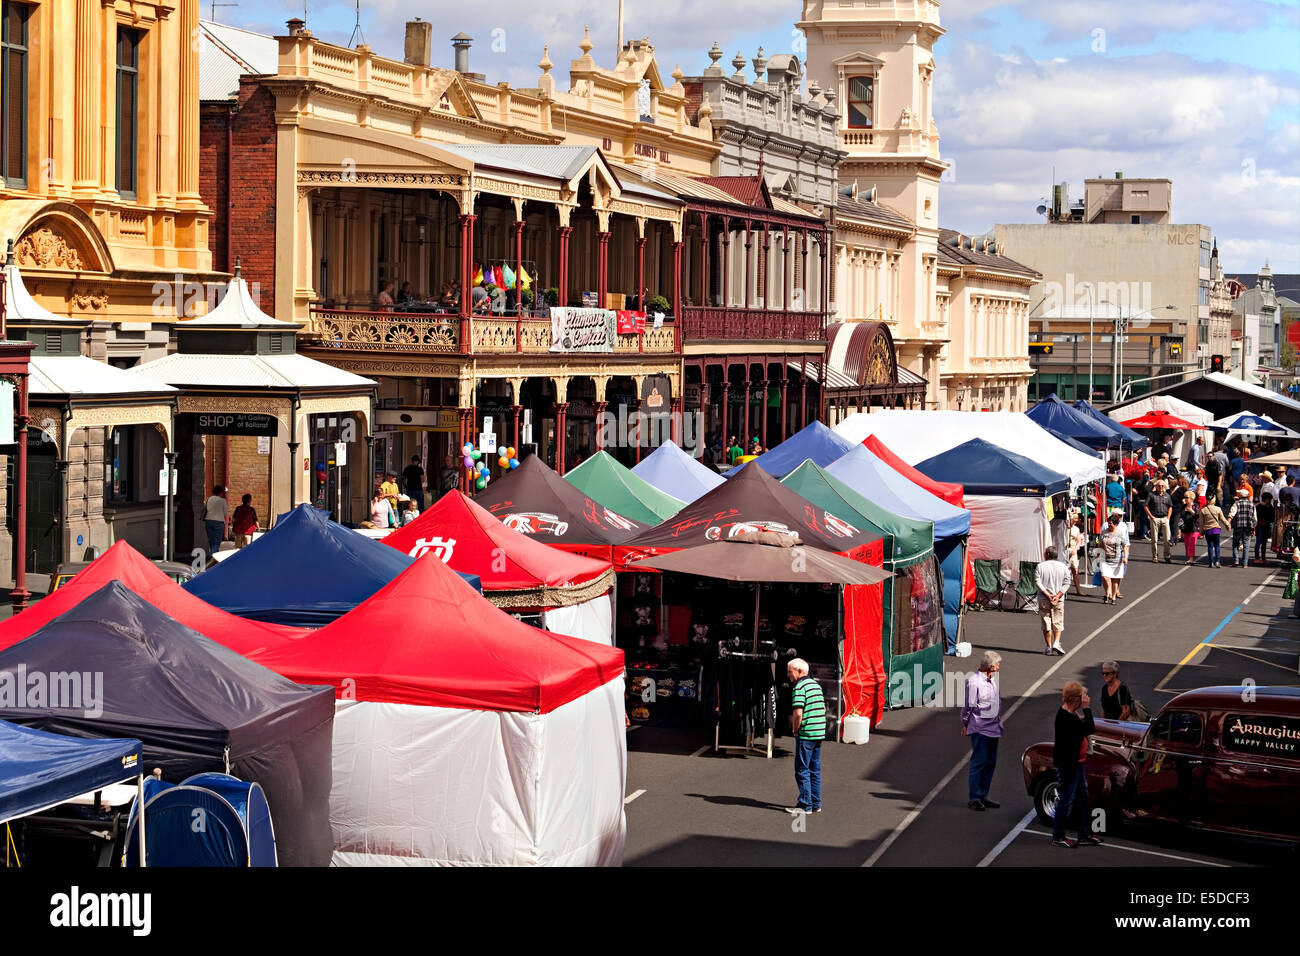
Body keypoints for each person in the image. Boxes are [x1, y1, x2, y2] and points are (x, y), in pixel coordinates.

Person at [1051, 681, 1102, 848]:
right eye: (1083, 697)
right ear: (1074, 699)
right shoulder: (1067, 719)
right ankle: (1058, 836)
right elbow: (1089, 727)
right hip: (1069, 765)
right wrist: (1087, 708)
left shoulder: (1069, 714)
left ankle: (1084, 833)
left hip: (1076, 763)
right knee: (1066, 799)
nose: (1086, 699)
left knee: (1082, 796)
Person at [960, 650, 1003, 811]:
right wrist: (965, 724)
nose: (999, 666)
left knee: (990, 762)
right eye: (997, 663)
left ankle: (983, 794)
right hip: (981, 728)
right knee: (979, 762)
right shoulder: (974, 682)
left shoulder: (992, 680)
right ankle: (975, 797)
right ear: (991, 666)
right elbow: (968, 707)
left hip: (994, 728)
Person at [787, 658, 825, 814]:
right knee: (814, 769)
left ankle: (805, 805)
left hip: (806, 733)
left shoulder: (799, 688)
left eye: (790, 672)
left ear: (800, 671)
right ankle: (816, 803)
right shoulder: (816, 685)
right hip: (818, 733)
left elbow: (798, 713)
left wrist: (795, 729)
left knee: (802, 770)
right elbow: (822, 708)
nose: (788, 675)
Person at [1034, 547, 1070, 655]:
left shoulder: (1040, 566)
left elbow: (1037, 581)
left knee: (1046, 621)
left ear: (1047, 555)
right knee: (1058, 620)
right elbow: (1067, 582)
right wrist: (1058, 595)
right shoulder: (1063, 567)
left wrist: (1048, 594)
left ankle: (1049, 646)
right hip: (1058, 599)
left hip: (1044, 598)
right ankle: (1057, 642)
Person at [1098, 513, 1128, 604]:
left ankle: (1113, 597)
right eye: (1108, 523)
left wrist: (1125, 557)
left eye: (1111, 523)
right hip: (1105, 558)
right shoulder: (1104, 532)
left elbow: (1124, 546)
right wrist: (1098, 554)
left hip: (1116, 559)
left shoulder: (1119, 533)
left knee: (1115, 579)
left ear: (1115, 524)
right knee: (1105, 576)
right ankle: (1108, 593)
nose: (1109, 525)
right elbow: (1100, 543)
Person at [1144, 478, 1173, 563]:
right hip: (1155, 518)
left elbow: (1170, 506)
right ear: (1156, 486)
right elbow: (1145, 506)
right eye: (1159, 486)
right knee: (1154, 539)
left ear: (1164, 487)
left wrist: (1168, 517)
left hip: (1165, 518)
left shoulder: (1167, 495)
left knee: (1167, 539)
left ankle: (1167, 556)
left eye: (1162, 486)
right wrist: (1151, 517)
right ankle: (1155, 556)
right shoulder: (1151, 495)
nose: (1160, 487)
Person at [1198, 493, 1231, 567]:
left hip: (1207, 530)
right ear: (1214, 500)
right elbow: (1223, 519)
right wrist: (1228, 525)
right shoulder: (1218, 509)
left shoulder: (1203, 510)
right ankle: (1217, 561)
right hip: (1216, 529)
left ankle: (1211, 562)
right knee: (1217, 546)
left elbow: (1201, 523)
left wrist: (1201, 532)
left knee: (1210, 546)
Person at [1228, 486, 1257, 568]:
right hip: (1248, 526)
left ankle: (1236, 560)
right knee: (1246, 545)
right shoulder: (1252, 505)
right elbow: (1255, 519)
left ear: (1241, 495)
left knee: (1235, 544)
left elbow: (1231, 514)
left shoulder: (1236, 504)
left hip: (1238, 526)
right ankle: (1245, 563)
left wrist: (1228, 524)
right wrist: (1254, 529)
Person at [203, 485, 228, 560]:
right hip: (218, 522)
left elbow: (206, 508)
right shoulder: (222, 500)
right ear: (220, 492)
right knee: (217, 541)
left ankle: (213, 557)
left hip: (208, 521)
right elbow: (225, 513)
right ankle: (211, 556)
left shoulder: (209, 499)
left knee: (211, 540)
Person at [1067, 513, 1086, 596]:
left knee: (1075, 570)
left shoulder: (1076, 529)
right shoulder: (1065, 528)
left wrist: (1076, 549)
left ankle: (1078, 590)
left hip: (1073, 550)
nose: (1075, 520)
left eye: (1076, 519)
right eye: (1074, 519)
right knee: (1064, 570)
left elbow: (1079, 541)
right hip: (1065, 550)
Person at [1255, 492, 1276, 564]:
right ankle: (1257, 558)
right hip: (1260, 526)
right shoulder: (1259, 506)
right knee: (1258, 542)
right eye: (1269, 499)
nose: (1270, 501)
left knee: (1264, 543)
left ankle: (1263, 557)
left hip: (1266, 527)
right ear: (1266, 499)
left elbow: (1273, 517)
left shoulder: (1270, 507)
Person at [1181, 497, 1201, 565]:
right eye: (1185, 497)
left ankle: (1191, 559)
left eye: (1187, 498)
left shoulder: (1195, 506)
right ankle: (1189, 558)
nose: (1185, 499)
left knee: (1191, 544)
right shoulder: (1183, 506)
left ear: (1192, 498)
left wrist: (1191, 511)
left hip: (1194, 527)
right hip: (1185, 528)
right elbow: (1181, 516)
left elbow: (1198, 516)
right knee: (1187, 544)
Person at [1170, 475, 1187, 544]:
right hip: (1174, 508)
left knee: (1175, 524)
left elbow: (1182, 500)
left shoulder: (1181, 489)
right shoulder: (1180, 489)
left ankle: (1173, 539)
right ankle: (1174, 539)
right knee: (1172, 523)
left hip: (1177, 508)